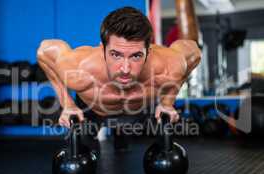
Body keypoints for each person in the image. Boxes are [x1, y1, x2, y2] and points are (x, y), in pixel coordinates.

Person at [37, 7, 201, 151]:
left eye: (136, 56)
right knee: (85, 148)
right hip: (94, 110)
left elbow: (194, 52)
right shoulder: (79, 69)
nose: (125, 69)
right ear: (102, 49)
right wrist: (67, 105)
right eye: (116, 55)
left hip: (139, 111)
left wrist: (167, 103)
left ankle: (120, 132)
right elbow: (44, 51)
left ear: (148, 51)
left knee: (125, 147)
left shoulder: (167, 67)